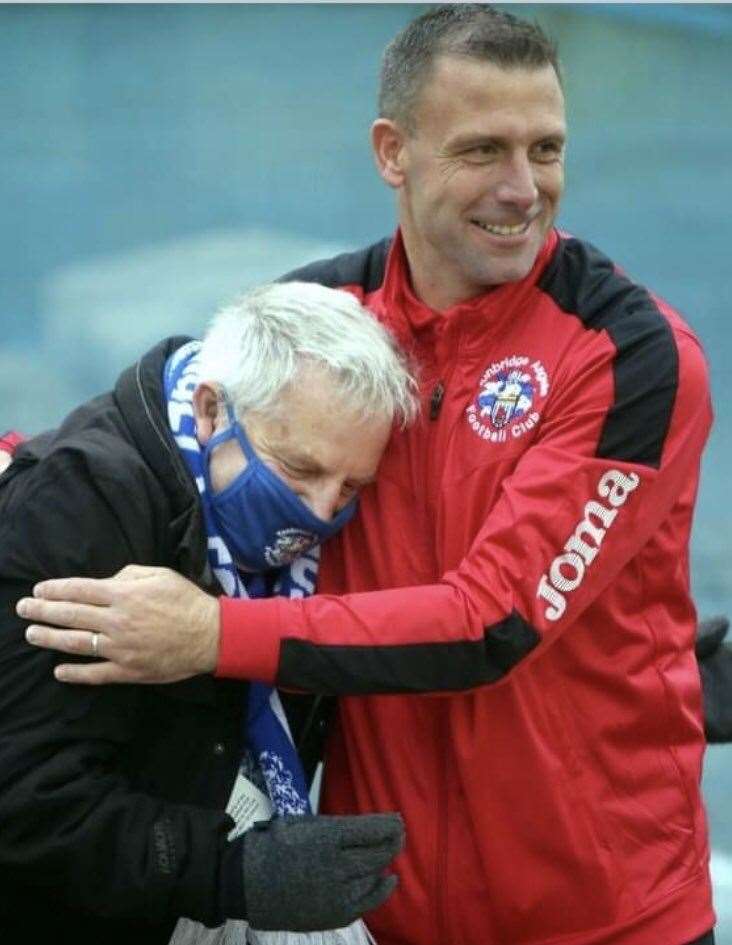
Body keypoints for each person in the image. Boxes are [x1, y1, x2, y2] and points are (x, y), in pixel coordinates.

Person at [10, 6, 724, 944]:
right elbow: (173, 433)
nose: (523, 188)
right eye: (484, 150)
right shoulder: (325, 319)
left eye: (546, 148)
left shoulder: (629, 353)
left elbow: (493, 619)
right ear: (394, 151)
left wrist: (213, 634)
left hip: (606, 915)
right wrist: (29, 483)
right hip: (382, 910)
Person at [0, 280, 417, 942]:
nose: (317, 512)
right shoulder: (81, 504)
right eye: (297, 470)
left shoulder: (324, 540)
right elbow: (25, 804)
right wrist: (234, 873)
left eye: (349, 487)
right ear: (210, 408)